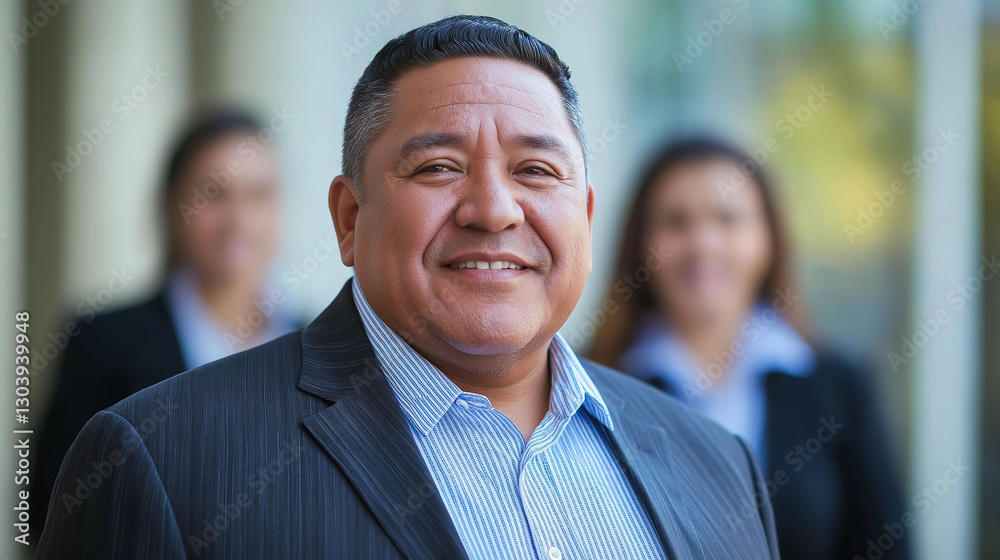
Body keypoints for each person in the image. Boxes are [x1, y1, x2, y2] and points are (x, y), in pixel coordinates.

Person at [37, 17, 779, 559]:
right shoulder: (164, 463)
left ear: (584, 217)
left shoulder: (719, 466)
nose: (493, 209)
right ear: (350, 219)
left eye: (536, 171)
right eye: (438, 168)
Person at [588, 137, 910, 560]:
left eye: (728, 218)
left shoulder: (838, 387)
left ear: (767, 239)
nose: (703, 242)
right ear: (641, 243)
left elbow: (889, 545)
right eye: (676, 221)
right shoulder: (588, 389)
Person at [32, 109, 297, 533]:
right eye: (214, 193)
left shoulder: (320, 340)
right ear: (171, 205)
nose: (238, 220)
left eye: (259, 194)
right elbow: (48, 506)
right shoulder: (102, 340)